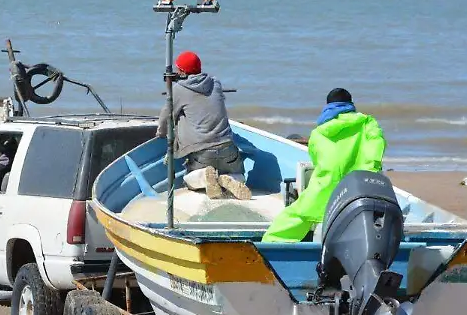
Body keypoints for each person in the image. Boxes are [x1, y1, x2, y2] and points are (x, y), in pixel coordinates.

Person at [261, 88, 386, 243]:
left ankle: (269, 245)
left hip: (325, 187)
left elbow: (317, 159)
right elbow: (376, 149)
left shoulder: (318, 132)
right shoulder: (368, 123)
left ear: (328, 106)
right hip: (361, 187)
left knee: (299, 214)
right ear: (351, 104)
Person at [157, 51, 251, 200]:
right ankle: (229, 179)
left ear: (181, 71)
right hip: (228, 148)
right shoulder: (215, 83)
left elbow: (166, 116)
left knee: (189, 181)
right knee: (241, 176)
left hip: (202, 153)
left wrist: (161, 134)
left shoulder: (179, 89)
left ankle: (204, 176)